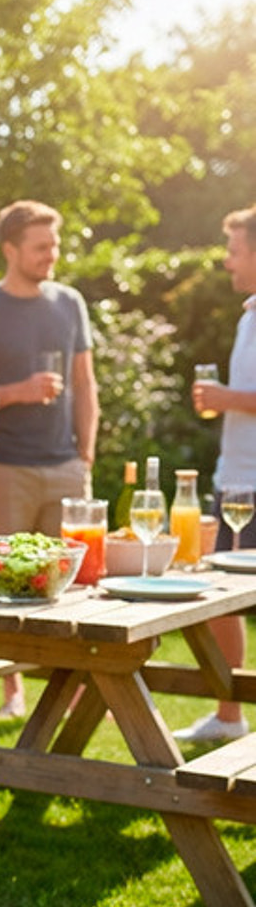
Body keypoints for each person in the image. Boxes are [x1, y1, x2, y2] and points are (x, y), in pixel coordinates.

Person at [0, 199, 100, 717]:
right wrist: (17, 390)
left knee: (73, 580)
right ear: (10, 249)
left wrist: (86, 454)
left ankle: (77, 688)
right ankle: (13, 693)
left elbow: (85, 384)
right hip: (3, 467)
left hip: (64, 464)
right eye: (41, 246)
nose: (51, 254)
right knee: (5, 583)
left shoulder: (70, 303)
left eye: (54, 244)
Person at [177, 205, 256, 745]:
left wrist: (229, 398)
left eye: (233, 250)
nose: (227, 261)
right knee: (218, 597)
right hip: (237, 480)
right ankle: (231, 717)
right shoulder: (249, 314)